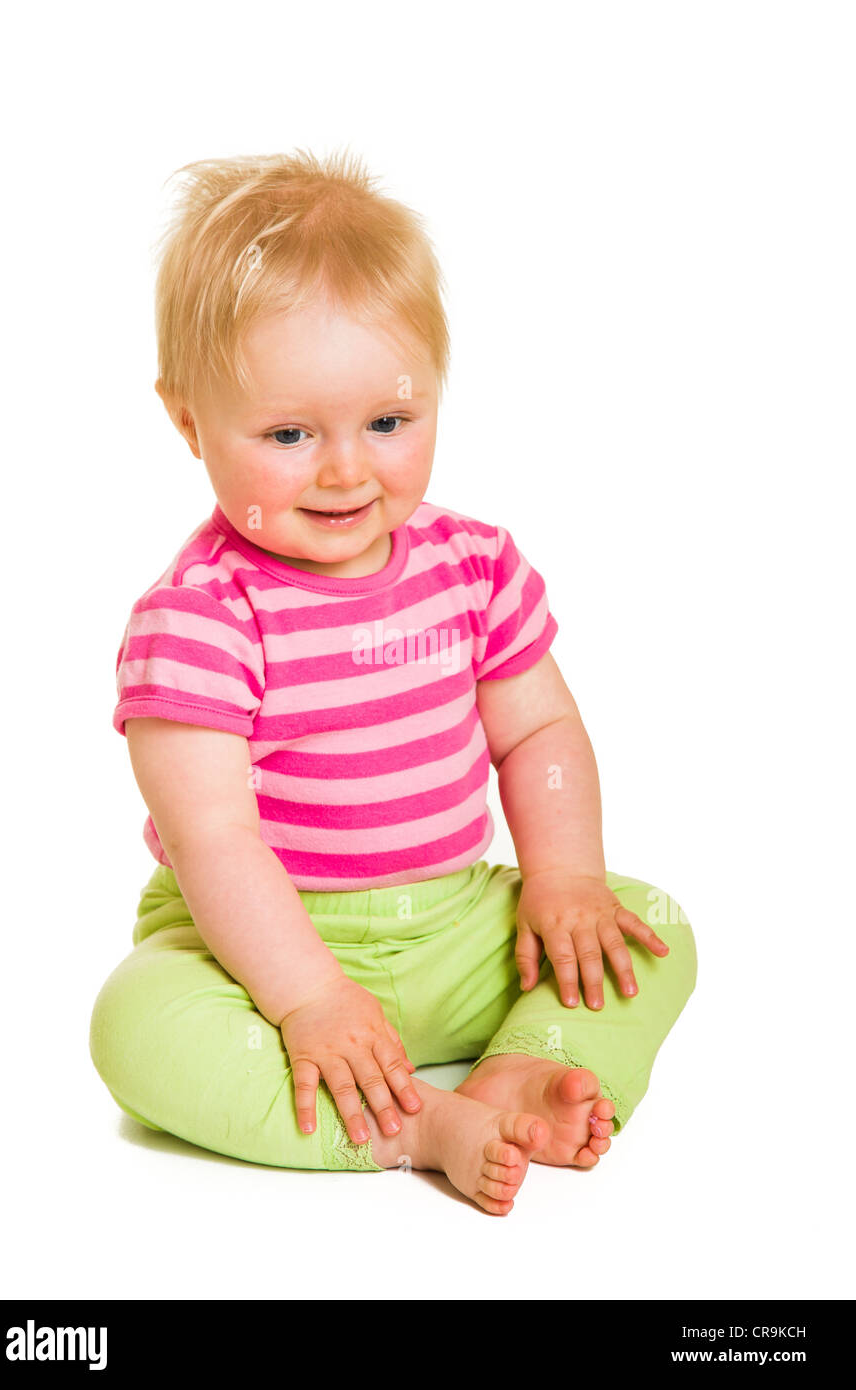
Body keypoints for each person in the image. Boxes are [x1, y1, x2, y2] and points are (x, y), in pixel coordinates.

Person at [89, 148, 697, 1215]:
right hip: (259, 950)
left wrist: (562, 878)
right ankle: (414, 1122)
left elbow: (539, 732)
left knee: (649, 923)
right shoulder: (199, 619)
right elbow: (213, 839)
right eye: (288, 433)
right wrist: (310, 994)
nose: (346, 469)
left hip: (456, 925)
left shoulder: (473, 568)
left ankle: (523, 1066)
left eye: (388, 422)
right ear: (188, 422)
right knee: (136, 1028)